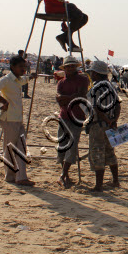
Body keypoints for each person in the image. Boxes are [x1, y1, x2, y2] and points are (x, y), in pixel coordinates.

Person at [0, 56, 37, 186]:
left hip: (17, 118)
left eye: (24, 67)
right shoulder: (7, 80)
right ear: (13, 67)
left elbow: (22, 81)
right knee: (10, 148)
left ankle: (20, 177)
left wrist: (31, 77)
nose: (23, 69)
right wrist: (4, 101)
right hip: (9, 119)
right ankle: (10, 176)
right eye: (21, 67)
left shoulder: (17, 80)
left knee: (21, 147)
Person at [86, 60, 120, 192]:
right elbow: (118, 105)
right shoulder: (111, 87)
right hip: (110, 124)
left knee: (98, 152)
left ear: (96, 74)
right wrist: (113, 120)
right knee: (110, 152)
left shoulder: (96, 88)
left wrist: (106, 119)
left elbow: (97, 108)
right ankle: (115, 181)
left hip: (99, 125)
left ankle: (98, 185)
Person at [55, 56, 89, 188]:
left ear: (76, 67)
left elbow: (80, 96)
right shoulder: (61, 82)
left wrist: (66, 98)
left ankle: (63, 174)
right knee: (62, 145)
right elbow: (59, 99)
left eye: (72, 66)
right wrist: (71, 97)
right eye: (67, 67)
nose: (69, 69)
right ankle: (65, 174)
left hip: (77, 117)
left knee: (72, 145)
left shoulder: (83, 79)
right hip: (64, 116)